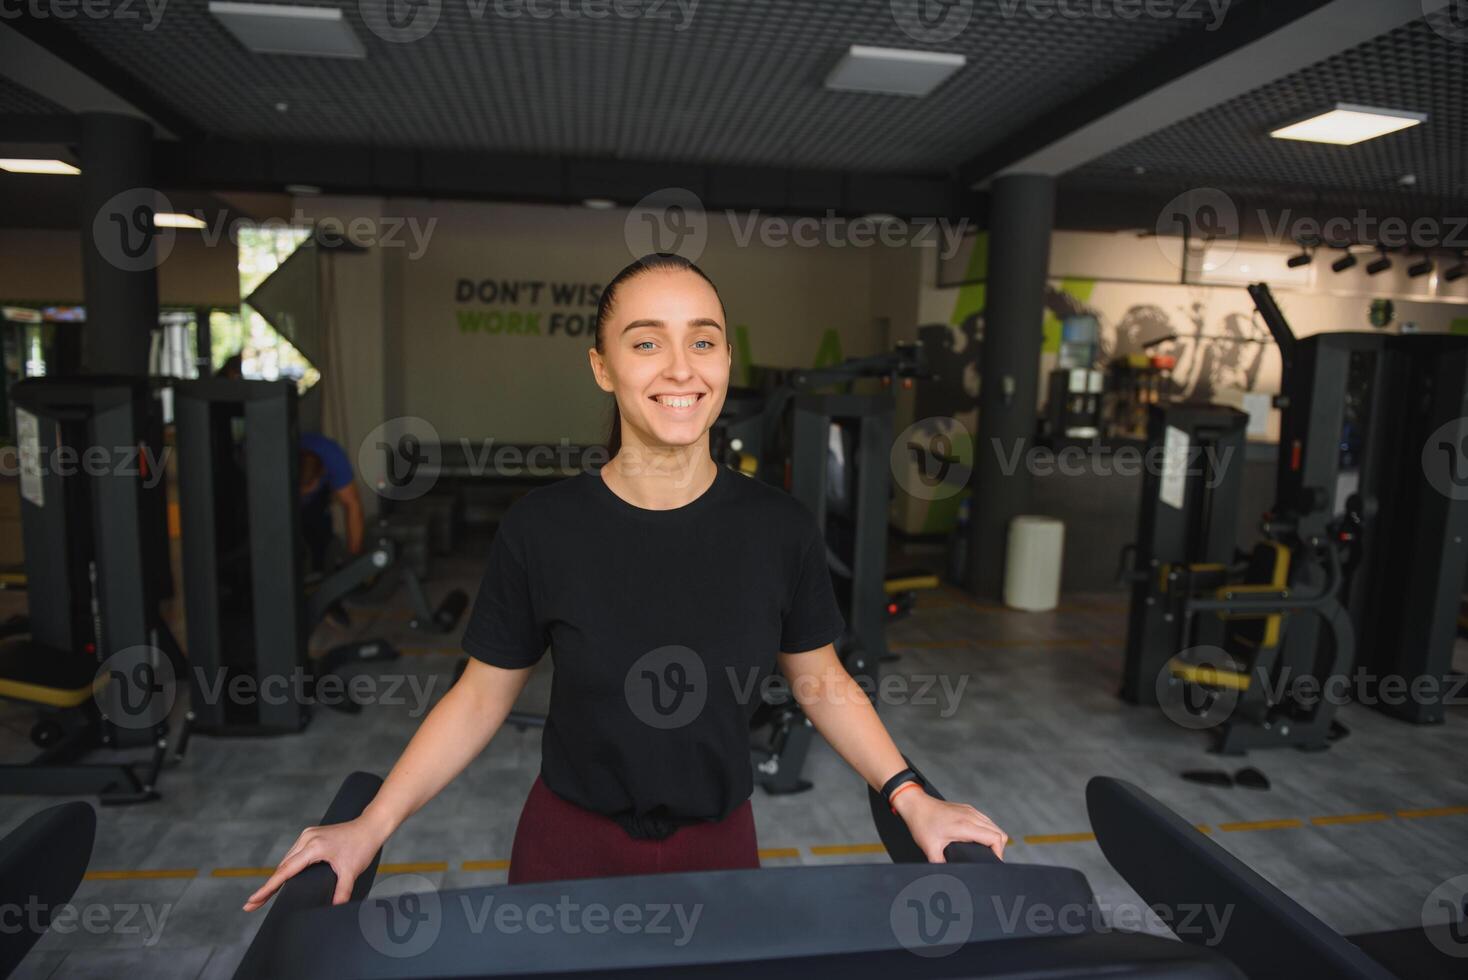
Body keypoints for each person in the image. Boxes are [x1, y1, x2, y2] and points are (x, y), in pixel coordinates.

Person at [243, 253, 1006, 911]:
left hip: (720, 854)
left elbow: (821, 680)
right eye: (647, 342)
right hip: (567, 855)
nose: (681, 368)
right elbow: (480, 695)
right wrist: (368, 827)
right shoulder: (543, 527)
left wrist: (914, 799)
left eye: (702, 341)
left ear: (725, 361)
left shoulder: (779, 528)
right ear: (602, 366)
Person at [299, 432, 364, 573]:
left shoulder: (332, 455)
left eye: (307, 490)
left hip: (318, 502)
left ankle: (320, 571)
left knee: (320, 539)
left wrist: (353, 564)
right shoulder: (279, 460)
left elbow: (353, 505)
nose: (303, 495)